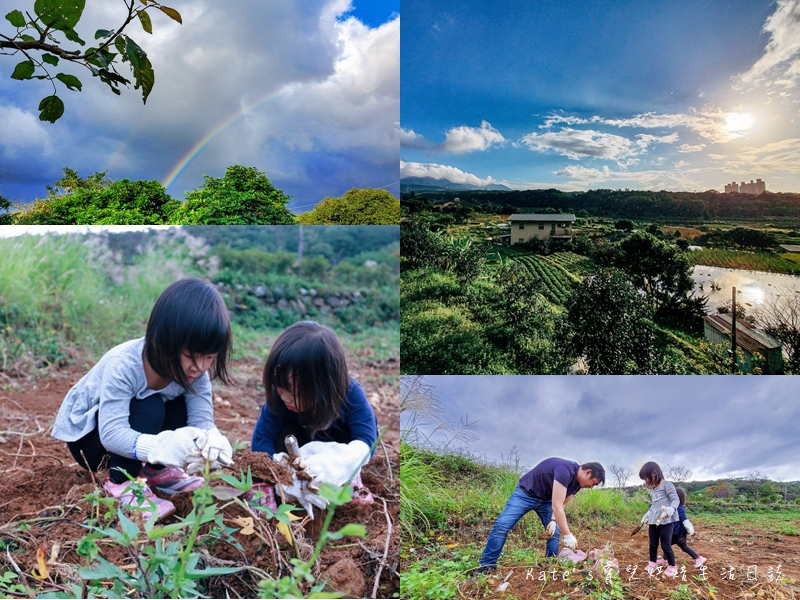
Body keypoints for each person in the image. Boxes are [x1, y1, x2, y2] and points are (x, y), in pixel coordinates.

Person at [52, 278, 235, 521]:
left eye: (209, 357)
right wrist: (160, 447)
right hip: (92, 442)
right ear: (164, 341)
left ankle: (154, 471)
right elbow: (111, 433)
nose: (199, 367)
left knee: (179, 407)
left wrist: (213, 440)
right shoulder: (125, 365)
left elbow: (201, 420)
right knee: (149, 405)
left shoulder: (197, 373)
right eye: (190, 356)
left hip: (136, 440)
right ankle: (122, 484)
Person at [251, 321, 378, 515]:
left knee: (352, 451)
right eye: (280, 388)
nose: (285, 398)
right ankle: (264, 488)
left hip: (335, 456)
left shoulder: (350, 394)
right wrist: (275, 469)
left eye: (293, 393)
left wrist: (343, 464)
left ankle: (349, 478)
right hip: (293, 458)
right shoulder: (279, 401)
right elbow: (261, 440)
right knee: (279, 437)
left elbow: (367, 439)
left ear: (323, 388)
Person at [478, 458, 605, 573]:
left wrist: (553, 521)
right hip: (525, 495)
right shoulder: (564, 470)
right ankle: (487, 566)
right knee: (502, 526)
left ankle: (550, 565)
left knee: (553, 533)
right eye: (593, 483)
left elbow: (562, 503)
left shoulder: (578, 484)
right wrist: (567, 535)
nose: (591, 487)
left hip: (546, 501)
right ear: (588, 472)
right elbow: (557, 506)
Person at [639, 461, 680, 577]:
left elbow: (675, 499)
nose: (646, 481)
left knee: (665, 545)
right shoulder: (653, 490)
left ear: (654, 473)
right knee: (652, 544)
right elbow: (654, 505)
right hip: (653, 521)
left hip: (666, 521)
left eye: (646, 477)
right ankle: (652, 563)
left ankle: (672, 566)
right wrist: (648, 514)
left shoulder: (667, 485)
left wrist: (672, 508)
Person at [658, 487, 706, 569]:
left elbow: (684, 519)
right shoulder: (676, 508)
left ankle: (665, 560)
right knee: (683, 547)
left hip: (677, 533)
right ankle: (698, 558)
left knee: (666, 544)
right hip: (680, 533)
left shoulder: (678, 508)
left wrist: (690, 529)